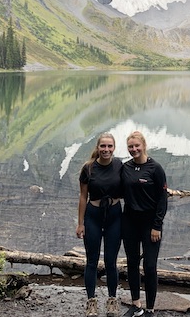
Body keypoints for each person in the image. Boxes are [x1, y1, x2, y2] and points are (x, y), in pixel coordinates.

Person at [121, 130, 168, 317]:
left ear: (144, 145)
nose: (134, 149)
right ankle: (136, 305)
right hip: (130, 222)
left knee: (149, 266)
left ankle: (149, 309)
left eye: (136, 146)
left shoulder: (155, 168)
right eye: (130, 147)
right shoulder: (125, 167)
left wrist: (157, 225)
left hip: (150, 225)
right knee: (132, 263)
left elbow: (163, 199)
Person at [77, 133, 123, 317]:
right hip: (93, 216)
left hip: (114, 216)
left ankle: (112, 300)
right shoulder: (88, 169)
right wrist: (80, 224)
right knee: (92, 261)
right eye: (103, 146)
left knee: (111, 262)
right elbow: (82, 197)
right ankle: (91, 302)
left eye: (109, 146)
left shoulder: (120, 165)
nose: (106, 150)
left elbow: (132, 186)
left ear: (114, 147)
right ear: (98, 147)